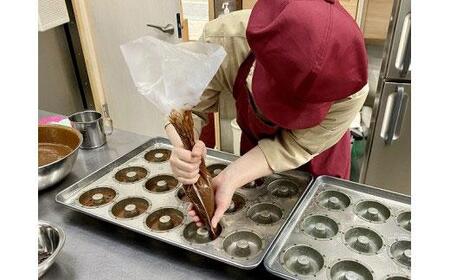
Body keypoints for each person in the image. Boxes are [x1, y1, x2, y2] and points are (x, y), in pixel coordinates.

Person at [165, 0, 369, 229]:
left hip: (318, 160)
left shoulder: (351, 90)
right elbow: (188, 107)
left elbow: (297, 146)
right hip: (253, 160)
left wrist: (232, 176)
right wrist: (183, 151)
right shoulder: (225, 42)